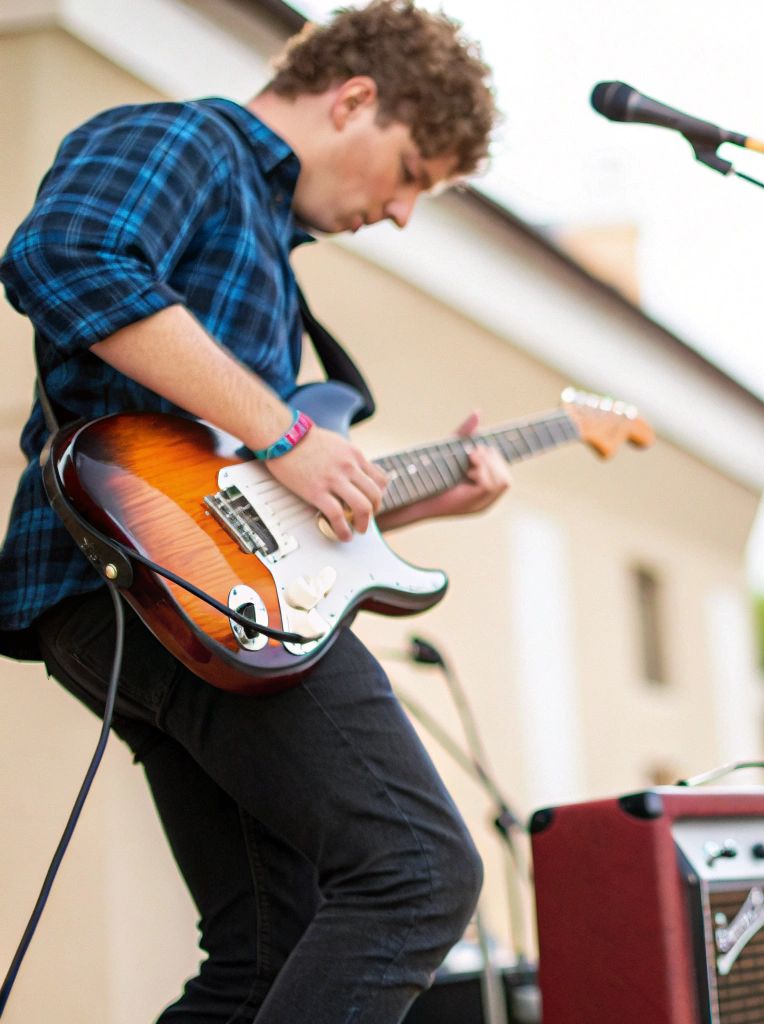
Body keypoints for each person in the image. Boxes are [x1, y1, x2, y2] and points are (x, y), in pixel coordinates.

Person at [0, 4, 588, 1020]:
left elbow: (243, 508)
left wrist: (407, 508)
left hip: (167, 596)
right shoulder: (190, 141)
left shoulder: (267, 257)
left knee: (262, 956)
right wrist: (286, 435)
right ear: (353, 98)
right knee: (417, 871)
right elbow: (65, 255)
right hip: (140, 574)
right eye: (411, 172)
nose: (405, 213)